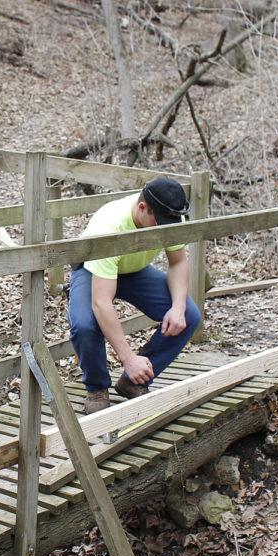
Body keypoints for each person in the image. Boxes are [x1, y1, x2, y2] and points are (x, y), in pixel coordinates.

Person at [68, 177, 201, 414]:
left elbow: (179, 262)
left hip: (133, 270)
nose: (163, 228)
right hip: (93, 270)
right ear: (142, 208)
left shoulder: (168, 217)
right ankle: (97, 388)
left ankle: (133, 382)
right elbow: (101, 303)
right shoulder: (110, 229)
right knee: (85, 325)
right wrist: (128, 358)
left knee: (189, 315)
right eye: (158, 222)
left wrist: (178, 307)